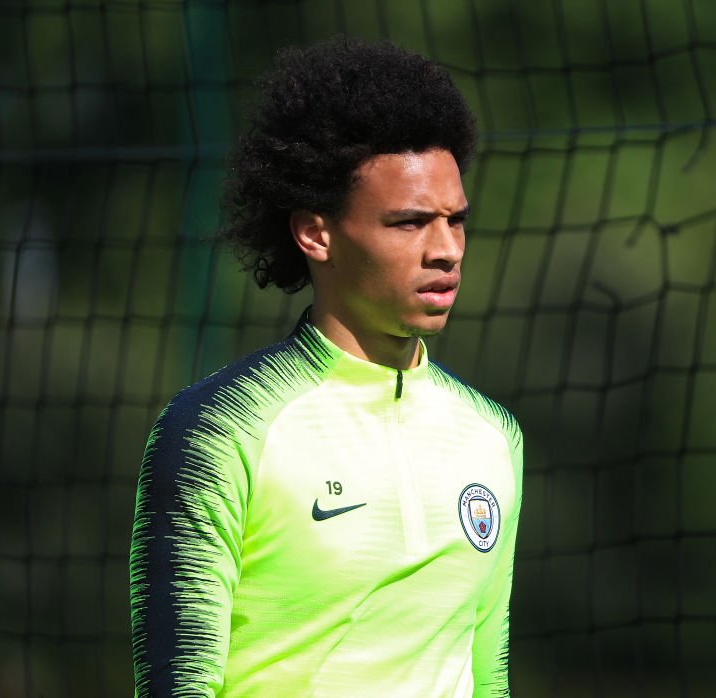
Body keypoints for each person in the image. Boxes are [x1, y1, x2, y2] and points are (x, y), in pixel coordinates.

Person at [128, 37, 523, 697]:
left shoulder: (494, 436)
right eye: (409, 223)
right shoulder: (218, 432)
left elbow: (489, 681)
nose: (446, 249)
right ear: (316, 233)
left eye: (456, 221)